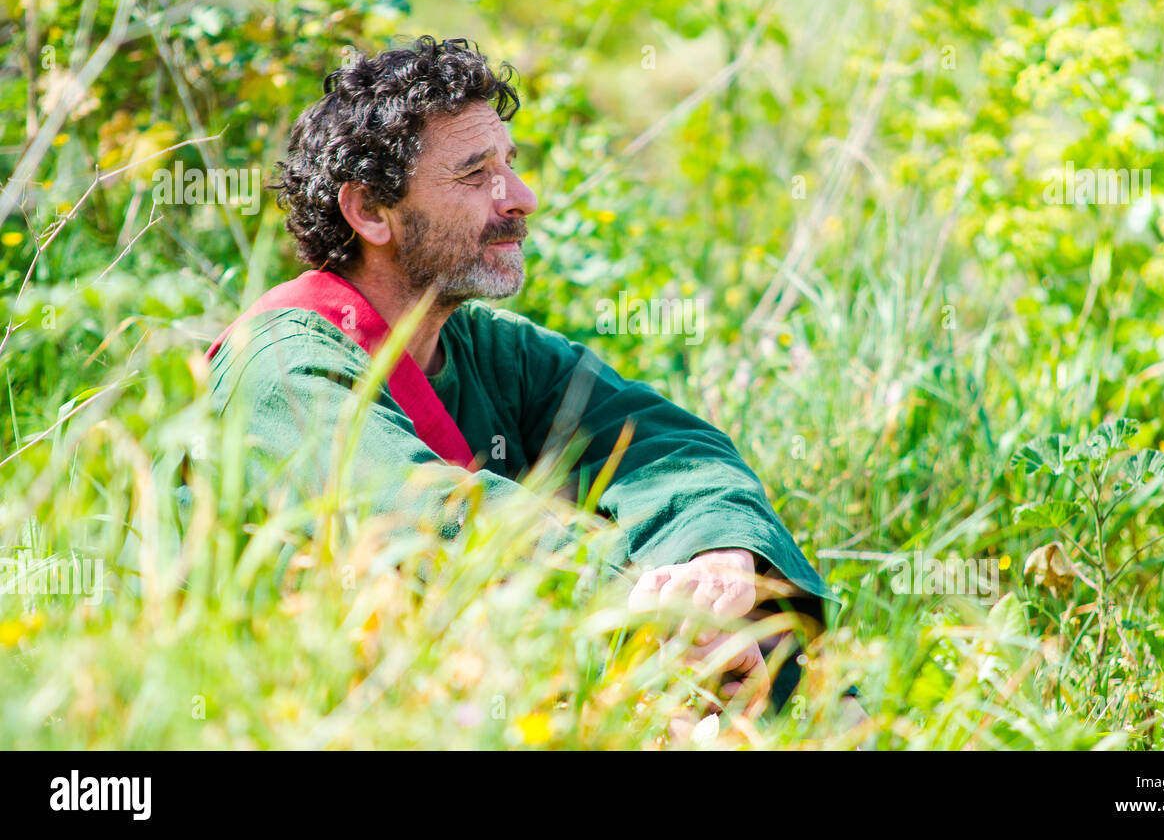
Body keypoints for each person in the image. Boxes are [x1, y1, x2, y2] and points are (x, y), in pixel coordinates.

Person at [206, 36, 844, 728]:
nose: (522, 199)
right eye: (475, 174)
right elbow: (429, 525)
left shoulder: (491, 350)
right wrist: (659, 614)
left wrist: (716, 561)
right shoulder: (281, 365)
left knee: (777, 652)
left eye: (509, 165)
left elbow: (666, 451)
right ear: (369, 212)